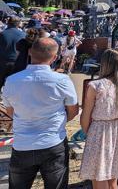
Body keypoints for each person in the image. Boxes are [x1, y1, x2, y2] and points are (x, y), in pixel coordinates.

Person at [2, 38, 79, 188]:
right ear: (55, 57)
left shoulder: (11, 80)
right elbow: (73, 110)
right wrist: (59, 122)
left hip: (22, 144)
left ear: (30, 52)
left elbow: (10, 111)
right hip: (53, 141)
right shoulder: (62, 80)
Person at [79, 48, 118, 187]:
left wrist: (89, 133)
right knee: (113, 181)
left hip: (100, 133)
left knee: (99, 179)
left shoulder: (96, 85)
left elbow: (85, 116)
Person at [0, 17, 26, 88]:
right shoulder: (23, 35)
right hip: (16, 62)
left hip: (2, 62)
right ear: (18, 24)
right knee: (12, 83)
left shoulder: (2, 34)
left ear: (8, 23)